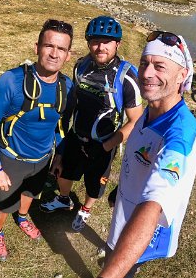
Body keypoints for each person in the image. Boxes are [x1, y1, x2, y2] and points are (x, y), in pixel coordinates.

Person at [97, 30, 196, 278]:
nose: (145, 73)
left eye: (159, 66)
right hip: (125, 213)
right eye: (144, 63)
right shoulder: (152, 109)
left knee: (118, 267)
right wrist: (122, 187)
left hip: (144, 233)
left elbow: (155, 204)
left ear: (182, 75)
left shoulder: (179, 134)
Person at [0, 19, 75, 261]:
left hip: (43, 159)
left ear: (68, 54)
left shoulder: (67, 87)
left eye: (61, 49)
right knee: (1, 205)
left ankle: (22, 217)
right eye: (49, 46)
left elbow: (61, 125)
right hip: (12, 157)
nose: (54, 54)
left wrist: (59, 156)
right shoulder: (11, 81)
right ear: (37, 47)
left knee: (30, 193)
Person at [40, 16, 144, 232]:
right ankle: (64, 199)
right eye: (95, 41)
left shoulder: (127, 76)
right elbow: (74, 102)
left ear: (118, 44)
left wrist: (109, 145)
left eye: (107, 41)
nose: (101, 47)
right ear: (88, 43)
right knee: (64, 173)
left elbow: (136, 120)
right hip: (77, 135)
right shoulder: (81, 66)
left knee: (95, 184)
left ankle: (85, 209)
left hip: (105, 143)